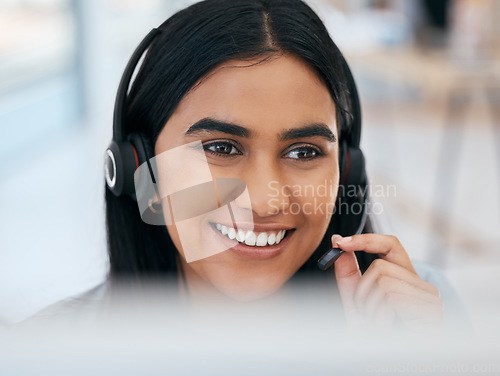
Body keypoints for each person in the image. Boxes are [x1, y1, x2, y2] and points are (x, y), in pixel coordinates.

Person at [36, 0, 466, 332]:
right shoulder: (54, 348)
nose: (264, 201)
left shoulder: (421, 313)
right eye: (221, 147)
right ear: (138, 166)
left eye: (303, 152)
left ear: (347, 171)